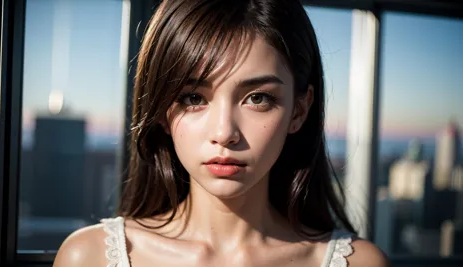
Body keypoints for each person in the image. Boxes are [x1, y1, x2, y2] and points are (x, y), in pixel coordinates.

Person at [54, 0, 389, 266]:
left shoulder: (359, 263)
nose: (224, 132)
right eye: (193, 98)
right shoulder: (90, 257)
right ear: (161, 112)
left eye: (258, 98)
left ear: (298, 111)